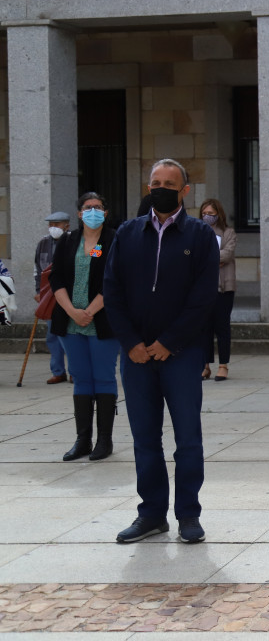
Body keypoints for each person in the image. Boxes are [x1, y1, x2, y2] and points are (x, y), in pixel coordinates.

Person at [103, 158, 218, 544]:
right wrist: (131, 343)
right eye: (156, 181)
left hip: (181, 354)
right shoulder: (127, 233)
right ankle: (151, 514)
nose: (162, 187)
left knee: (187, 438)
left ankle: (188, 514)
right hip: (135, 356)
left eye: (170, 182)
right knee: (145, 439)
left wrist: (170, 342)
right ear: (147, 186)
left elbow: (203, 299)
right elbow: (112, 291)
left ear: (185, 190)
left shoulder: (200, 235)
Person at [52, 193, 120, 462]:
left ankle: (105, 440)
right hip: (71, 321)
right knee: (80, 378)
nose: (93, 211)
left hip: (101, 320)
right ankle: (83, 439)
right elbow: (56, 278)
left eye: (98, 208)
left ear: (106, 212)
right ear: (79, 214)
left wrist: (89, 311)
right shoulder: (69, 241)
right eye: (88, 208)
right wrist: (72, 311)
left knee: (103, 377)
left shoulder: (113, 240)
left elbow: (115, 279)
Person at [199, 199, 236, 382]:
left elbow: (227, 254)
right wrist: (214, 259)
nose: (208, 217)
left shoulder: (228, 233)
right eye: (205, 213)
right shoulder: (197, 232)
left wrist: (208, 258)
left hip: (224, 288)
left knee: (222, 327)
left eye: (211, 214)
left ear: (218, 214)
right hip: (203, 288)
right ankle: (205, 365)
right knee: (203, 328)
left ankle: (223, 365)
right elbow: (194, 256)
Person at [37, 210, 72, 384]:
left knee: (70, 333)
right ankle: (58, 371)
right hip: (49, 295)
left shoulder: (75, 240)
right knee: (52, 334)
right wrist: (38, 291)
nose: (53, 228)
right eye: (50, 225)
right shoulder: (43, 243)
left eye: (56, 225)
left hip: (70, 293)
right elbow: (38, 269)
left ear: (67, 225)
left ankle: (74, 370)